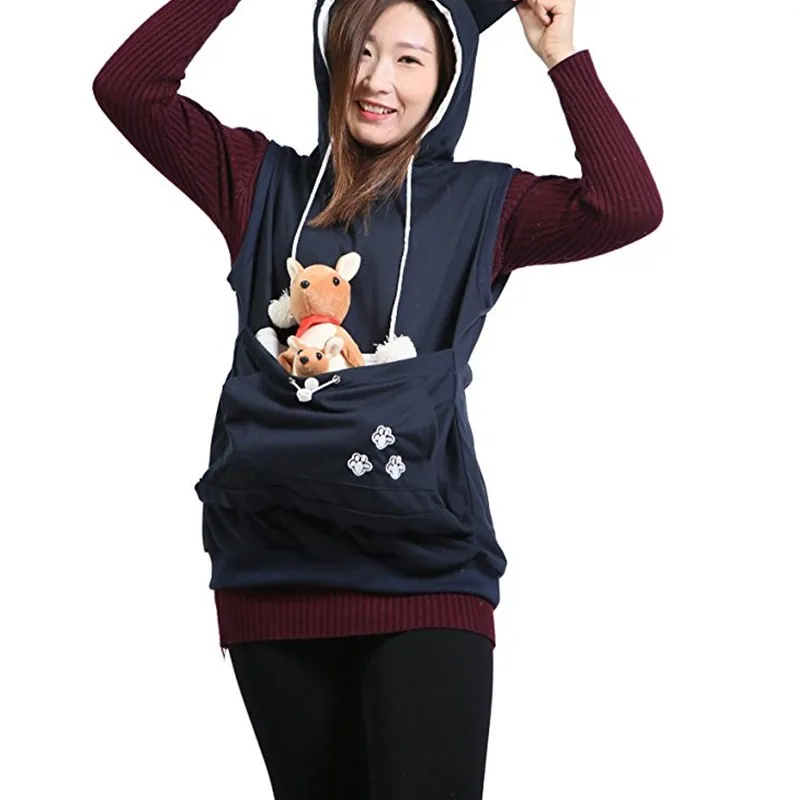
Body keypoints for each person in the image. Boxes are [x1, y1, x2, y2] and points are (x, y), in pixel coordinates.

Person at [93, 0, 662, 797]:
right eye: (361, 50)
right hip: (273, 572)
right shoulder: (262, 183)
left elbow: (627, 206)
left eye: (408, 59)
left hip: (426, 573)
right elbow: (129, 88)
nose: (376, 80)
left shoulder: (484, 204)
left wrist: (561, 58)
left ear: (448, 79)